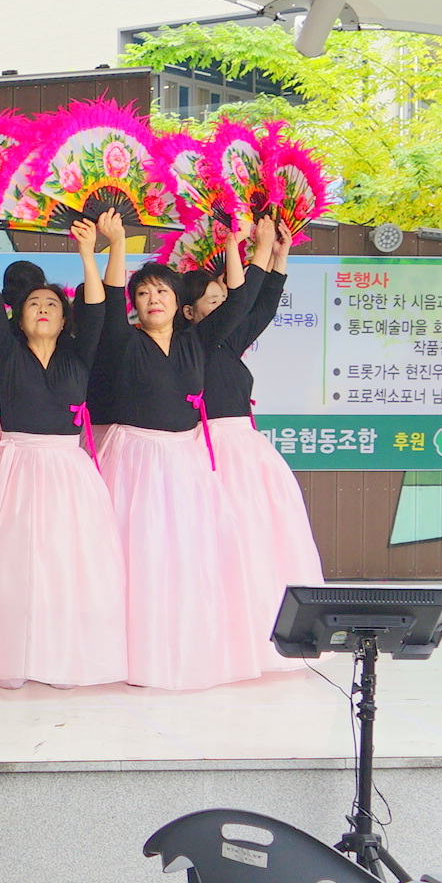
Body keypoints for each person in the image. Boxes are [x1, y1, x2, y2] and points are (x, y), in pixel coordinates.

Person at [94, 210, 266, 691]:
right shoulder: (123, 342)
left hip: (186, 459)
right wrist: (116, 244)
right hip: (134, 459)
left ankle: (187, 648)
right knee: (136, 557)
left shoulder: (198, 342)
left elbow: (239, 301)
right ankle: (131, 654)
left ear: (177, 303)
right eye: (144, 293)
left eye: (163, 292)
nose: (153, 299)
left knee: (188, 555)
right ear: (135, 304)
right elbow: (108, 300)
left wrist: (234, 245)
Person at [0, 211, 127, 690]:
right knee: (12, 568)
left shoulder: (79, 354)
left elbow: (97, 307)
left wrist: (88, 254)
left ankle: (61, 659)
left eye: (52, 303)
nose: (43, 308)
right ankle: (12, 659)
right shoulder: (7, 352)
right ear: (19, 315)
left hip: (69, 470)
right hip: (15, 466)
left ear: (63, 316)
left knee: (66, 564)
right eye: (33, 303)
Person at [184, 217, 324, 667]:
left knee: (259, 540)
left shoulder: (227, 345)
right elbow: (247, 302)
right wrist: (250, 248)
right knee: (220, 545)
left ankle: (264, 627)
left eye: (224, 300)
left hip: (247, 453)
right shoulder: (188, 345)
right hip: (208, 453)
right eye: (213, 301)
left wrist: (279, 257)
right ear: (188, 312)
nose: (226, 307)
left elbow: (260, 309)